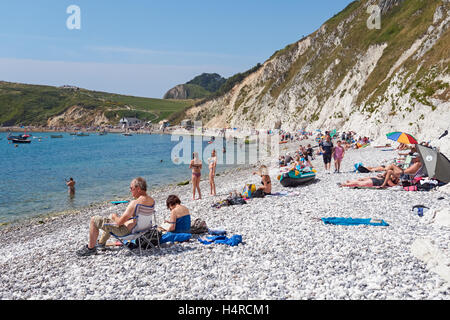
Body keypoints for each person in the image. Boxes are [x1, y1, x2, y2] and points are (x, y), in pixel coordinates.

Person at [76, 177, 155, 256]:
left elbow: (119, 223)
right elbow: (138, 218)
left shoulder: (135, 203)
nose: (130, 190)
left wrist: (114, 216)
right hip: (142, 229)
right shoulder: (151, 201)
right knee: (110, 218)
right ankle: (101, 243)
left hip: (126, 232)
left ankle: (90, 249)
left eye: (131, 188)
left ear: (138, 188)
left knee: (94, 220)